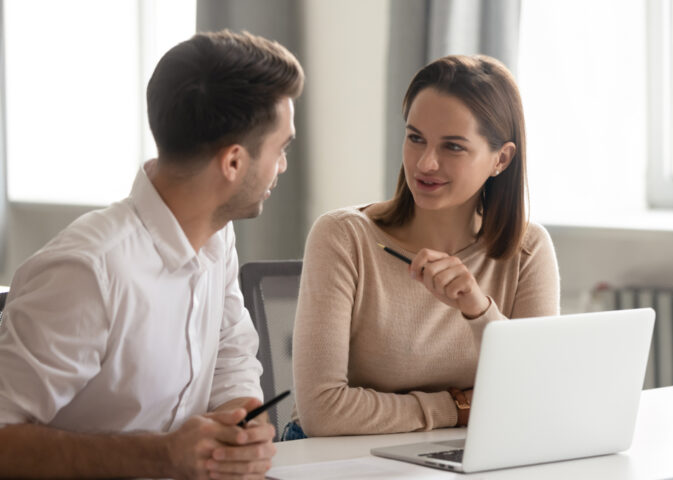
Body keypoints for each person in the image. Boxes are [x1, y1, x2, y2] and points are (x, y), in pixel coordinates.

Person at [0, 29, 303, 478]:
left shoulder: (218, 234)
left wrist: (240, 422)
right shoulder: (89, 272)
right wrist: (163, 454)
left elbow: (231, 355)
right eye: (280, 150)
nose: (281, 166)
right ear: (234, 162)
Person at [288, 54, 559, 439]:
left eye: (453, 147)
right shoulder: (343, 237)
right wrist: (458, 406)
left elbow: (539, 395)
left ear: (501, 158)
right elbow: (322, 410)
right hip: (343, 459)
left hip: (461, 456)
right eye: (415, 138)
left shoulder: (527, 249)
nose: (426, 163)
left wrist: (478, 310)